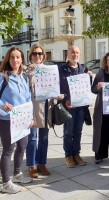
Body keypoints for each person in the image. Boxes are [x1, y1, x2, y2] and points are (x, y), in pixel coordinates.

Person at [25, 44, 64, 178]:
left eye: (40, 53)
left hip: (47, 108)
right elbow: (24, 89)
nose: (38, 56)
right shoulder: (26, 70)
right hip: (32, 108)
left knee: (44, 138)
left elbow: (53, 88)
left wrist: (57, 95)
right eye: (35, 53)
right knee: (32, 138)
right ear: (30, 56)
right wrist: (29, 73)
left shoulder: (49, 70)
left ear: (44, 55)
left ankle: (42, 163)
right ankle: (32, 165)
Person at [0, 47, 33, 194]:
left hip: (22, 118)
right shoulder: (3, 76)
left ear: (22, 59)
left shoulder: (23, 77)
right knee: (8, 150)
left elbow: (27, 98)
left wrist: (30, 117)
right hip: (7, 119)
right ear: (8, 59)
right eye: (12, 57)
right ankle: (6, 183)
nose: (15, 60)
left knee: (23, 145)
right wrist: (2, 105)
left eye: (18, 57)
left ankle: (17, 174)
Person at [59, 45, 92, 168]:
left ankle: (76, 154)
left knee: (78, 131)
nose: (75, 54)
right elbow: (60, 87)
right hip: (69, 106)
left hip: (81, 107)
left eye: (77, 52)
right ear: (67, 54)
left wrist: (90, 76)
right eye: (72, 52)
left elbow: (87, 87)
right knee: (68, 132)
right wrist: (66, 99)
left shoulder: (83, 68)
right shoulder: (62, 69)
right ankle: (68, 155)